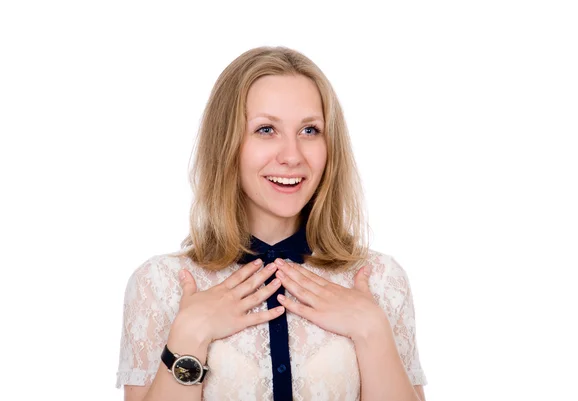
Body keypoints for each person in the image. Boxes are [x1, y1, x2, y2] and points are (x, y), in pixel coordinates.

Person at [116, 46, 427, 401]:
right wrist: (190, 334)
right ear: (227, 143)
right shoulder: (160, 285)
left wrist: (371, 331)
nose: (292, 155)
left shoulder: (381, 281)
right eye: (266, 129)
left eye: (310, 130)